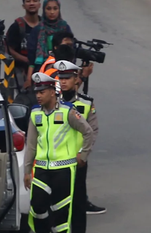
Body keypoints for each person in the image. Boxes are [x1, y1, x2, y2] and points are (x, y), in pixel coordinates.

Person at [24, 72, 94, 233]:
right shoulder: (35, 113)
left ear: (51, 92)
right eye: (37, 92)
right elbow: (31, 145)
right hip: (41, 169)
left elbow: (88, 132)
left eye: (42, 92)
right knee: (37, 208)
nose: (38, 96)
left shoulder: (68, 111)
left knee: (61, 213)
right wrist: (27, 171)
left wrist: (83, 155)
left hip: (63, 171)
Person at [54, 60, 105, 228]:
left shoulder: (86, 103)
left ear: (76, 79)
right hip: (54, 161)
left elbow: (93, 130)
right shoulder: (52, 103)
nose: (63, 81)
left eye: (67, 78)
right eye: (61, 78)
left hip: (77, 161)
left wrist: (83, 155)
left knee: (77, 204)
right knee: (55, 204)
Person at [5, 0, 41, 91]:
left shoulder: (45, 26)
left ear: (39, 5)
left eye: (35, 1)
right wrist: (25, 59)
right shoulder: (17, 26)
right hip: (21, 72)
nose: (32, 3)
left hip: (41, 70)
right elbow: (8, 48)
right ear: (23, 6)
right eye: (28, 1)